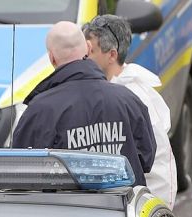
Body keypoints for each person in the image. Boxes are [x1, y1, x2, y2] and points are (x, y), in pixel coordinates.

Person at [13, 21, 156, 187]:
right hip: (121, 203)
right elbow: (146, 159)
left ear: (52, 57)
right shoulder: (129, 101)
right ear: (88, 48)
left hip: (66, 204)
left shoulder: (39, 111)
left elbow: (21, 172)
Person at [84, 14, 177, 206]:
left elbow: (159, 164)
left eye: (91, 51)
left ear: (112, 55)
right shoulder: (106, 89)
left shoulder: (137, 98)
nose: (85, 57)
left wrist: (154, 212)